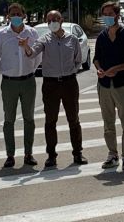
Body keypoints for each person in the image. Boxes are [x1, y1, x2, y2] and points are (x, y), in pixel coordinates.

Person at [19, 10, 87, 168]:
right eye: (49, 20)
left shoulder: (72, 39)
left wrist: (72, 71)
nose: (52, 22)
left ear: (61, 20)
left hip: (69, 83)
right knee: (50, 121)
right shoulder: (44, 40)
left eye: (55, 19)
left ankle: (78, 153)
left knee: (74, 120)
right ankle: (51, 155)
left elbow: (78, 60)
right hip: (50, 85)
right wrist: (26, 47)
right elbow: (32, 53)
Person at [0, 3, 41, 168]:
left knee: (29, 119)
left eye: (19, 13)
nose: (16, 16)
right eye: (13, 14)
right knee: (9, 120)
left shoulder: (32, 33)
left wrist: (30, 70)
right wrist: (7, 71)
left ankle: (28, 154)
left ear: (24, 15)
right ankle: (10, 155)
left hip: (28, 81)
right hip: (9, 83)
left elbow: (37, 57)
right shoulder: (0, 35)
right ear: (8, 16)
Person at [94, 1, 124, 170]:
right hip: (104, 85)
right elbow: (96, 59)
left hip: (122, 85)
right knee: (108, 123)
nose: (107, 17)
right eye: (104, 14)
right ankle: (112, 154)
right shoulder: (101, 37)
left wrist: (117, 69)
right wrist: (99, 70)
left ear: (117, 16)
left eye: (110, 14)